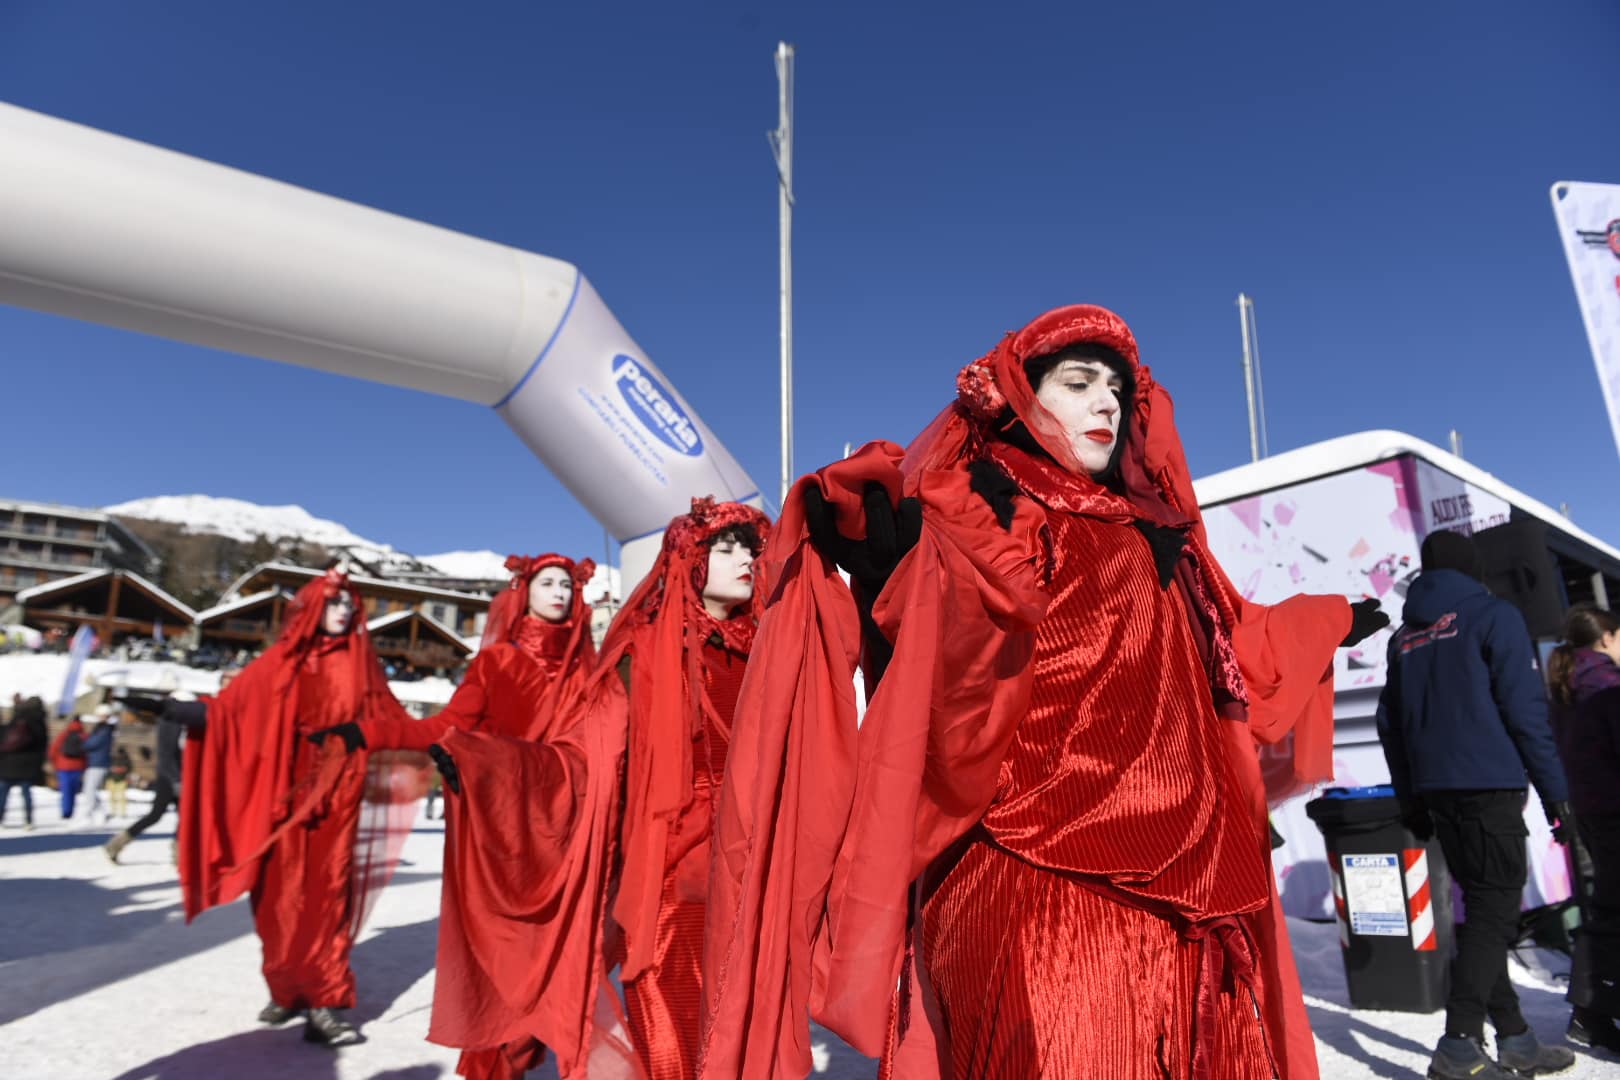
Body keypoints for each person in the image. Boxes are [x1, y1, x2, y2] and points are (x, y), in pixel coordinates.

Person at [702, 304, 1381, 1080]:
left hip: (1180, 889)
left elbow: (1234, 648)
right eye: (1079, 382)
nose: (1105, 404)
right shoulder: (990, 509)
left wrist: (1327, 619)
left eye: (1117, 390)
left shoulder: (1157, 533)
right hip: (1034, 881)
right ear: (1025, 397)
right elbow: (955, 664)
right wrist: (896, 559)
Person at [316, 552, 603, 1080]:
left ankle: (518, 1059)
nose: (560, 592)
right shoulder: (496, 663)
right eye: (548, 583)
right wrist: (368, 732)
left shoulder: (590, 672)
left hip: (567, 831)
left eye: (567, 584)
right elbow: (444, 728)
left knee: (557, 959)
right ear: (523, 591)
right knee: (502, 961)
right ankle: (492, 1068)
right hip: (501, 833)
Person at [179, 567, 418, 1047]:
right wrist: (191, 713)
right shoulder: (280, 661)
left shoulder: (361, 665)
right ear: (311, 607)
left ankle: (325, 1000)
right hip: (281, 793)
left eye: (348, 603)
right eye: (333, 602)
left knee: (326, 895)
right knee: (275, 897)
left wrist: (453, 742)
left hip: (338, 792)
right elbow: (231, 710)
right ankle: (287, 987)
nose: (343, 611)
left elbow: (394, 722)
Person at [1377, 529, 1576, 1078]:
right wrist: (1558, 793)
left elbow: (1390, 725)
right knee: (1494, 910)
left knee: (1484, 912)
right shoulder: (1494, 616)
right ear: (1474, 568)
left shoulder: (1403, 639)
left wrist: (1411, 798)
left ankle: (1515, 1038)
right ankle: (1459, 1042)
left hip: (1438, 794)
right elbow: (1525, 714)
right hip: (1489, 788)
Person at [1548, 603, 1620, 1054]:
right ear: (1606, 638)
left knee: (1609, 906)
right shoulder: (1608, 685)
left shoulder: (1567, 684)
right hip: (1614, 808)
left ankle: (1590, 1010)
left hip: (1592, 810)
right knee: (1611, 909)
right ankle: (1589, 1010)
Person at [105, 685, 213, 864]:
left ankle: (180, 856)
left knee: (184, 817)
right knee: (157, 815)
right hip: (170, 777)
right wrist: (176, 780)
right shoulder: (171, 721)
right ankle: (117, 844)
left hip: (179, 777)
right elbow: (167, 753)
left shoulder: (179, 723)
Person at [0, 695, 49, 829]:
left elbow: (5, 737)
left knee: (3, 793)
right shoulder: (39, 722)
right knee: (26, 794)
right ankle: (28, 820)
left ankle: (0, 818)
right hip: (29, 764)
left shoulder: (18, 718)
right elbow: (42, 745)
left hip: (8, 762)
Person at [76, 703, 119, 825]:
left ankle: (88, 814)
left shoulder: (105, 730)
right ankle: (101, 812)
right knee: (89, 789)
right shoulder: (101, 728)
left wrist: (83, 744)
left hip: (99, 763)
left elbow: (93, 743)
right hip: (93, 762)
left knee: (90, 789)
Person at [50, 714, 88, 820]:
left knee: (65, 790)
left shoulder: (64, 734)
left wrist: (55, 763)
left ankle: (65, 811)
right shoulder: (84, 736)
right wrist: (85, 766)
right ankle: (70, 810)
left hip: (63, 765)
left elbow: (53, 749)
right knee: (73, 790)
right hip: (78, 765)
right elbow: (87, 753)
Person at [106, 745, 133, 819]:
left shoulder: (126, 760)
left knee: (122, 798)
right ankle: (113, 811)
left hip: (122, 780)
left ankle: (123, 813)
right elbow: (109, 769)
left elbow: (128, 769)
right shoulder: (113, 759)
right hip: (112, 780)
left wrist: (119, 770)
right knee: (112, 797)